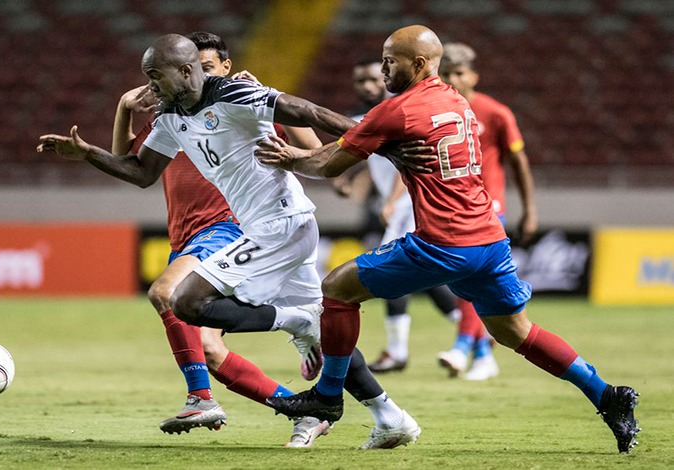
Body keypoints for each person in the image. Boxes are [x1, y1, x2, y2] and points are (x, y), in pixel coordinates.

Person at [258, 25, 640, 454]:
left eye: (390, 60)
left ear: (418, 64)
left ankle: (327, 397)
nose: (383, 69)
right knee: (516, 332)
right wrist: (384, 150)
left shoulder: (396, 110)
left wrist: (291, 158)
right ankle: (608, 396)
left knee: (337, 288)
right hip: (489, 242)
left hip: (443, 242)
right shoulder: (456, 101)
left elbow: (328, 166)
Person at [38, 33, 422, 449]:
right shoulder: (169, 116)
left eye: (155, 77)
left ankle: (295, 322)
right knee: (325, 340)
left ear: (187, 71)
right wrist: (88, 153)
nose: (150, 88)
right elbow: (141, 172)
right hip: (276, 230)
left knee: (188, 302)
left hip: (280, 226)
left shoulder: (237, 92)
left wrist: (383, 142)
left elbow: (308, 111)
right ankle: (391, 417)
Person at [112, 31, 328, 446]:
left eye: (207, 69)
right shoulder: (173, 115)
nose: (198, 80)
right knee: (210, 351)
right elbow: (130, 165)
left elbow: (311, 143)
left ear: (222, 70)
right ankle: (308, 412)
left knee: (165, 292)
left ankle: (200, 397)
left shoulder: (240, 103)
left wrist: (267, 96)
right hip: (186, 235)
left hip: (226, 228)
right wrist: (124, 108)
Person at [339, 59, 461, 373]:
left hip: (407, 201)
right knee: (427, 276)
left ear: (383, 79)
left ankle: (397, 352)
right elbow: (367, 153)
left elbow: (401, 159)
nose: (366, 87)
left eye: (371, 80)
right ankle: (470, 332)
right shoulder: (363, 117)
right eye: (359, 81)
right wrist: (349, 179)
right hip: (403, 204)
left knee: (393, 272)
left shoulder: (398, 111)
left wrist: (392, 201)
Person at [435, 42, 538, 381]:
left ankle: (463, 347)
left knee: (469, 277)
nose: (453, 79)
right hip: (452, 208)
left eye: (459, 73)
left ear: (474, 76)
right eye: (446, 73)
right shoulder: (437, 111)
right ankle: (482, 354)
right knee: (470, 282)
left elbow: (519, 161)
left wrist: (530, 209)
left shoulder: (496, 113)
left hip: (489, 207)